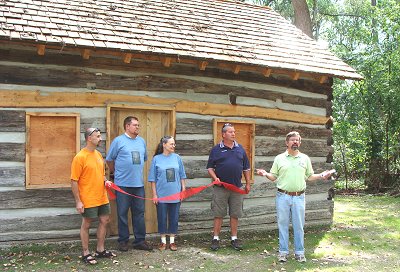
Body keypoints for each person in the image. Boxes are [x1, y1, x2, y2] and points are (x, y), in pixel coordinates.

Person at [256, 131, 334, 263]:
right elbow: (274, 177)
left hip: (299, 197)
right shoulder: (279, 158)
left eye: (297, 140)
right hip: (283, 196)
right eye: (292, 140)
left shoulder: (305, 158)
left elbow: (309, 176)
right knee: (283, 224)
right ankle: (283, 252)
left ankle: (299, 253)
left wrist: (321, 175)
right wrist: (265, 174)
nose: (295, 142)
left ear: (300, 142)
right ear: (287, 143)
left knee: (299, 225)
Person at [106, 116, 153, 251]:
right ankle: (123, 241)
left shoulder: (142, 141)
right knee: (122, 213)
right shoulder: (118, 141)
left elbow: (143, 159)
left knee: (139, 213)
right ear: (127, 126)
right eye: (135, 125)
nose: (137, 127)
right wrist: (116, 173)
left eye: (138, 125)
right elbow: (109, 159)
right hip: (122, 185)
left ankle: (139, 241)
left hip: (138, 185)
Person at [71, 127, 116, 265]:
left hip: (102, 197)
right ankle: (86, 252)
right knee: (87, 224)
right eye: (97, 136)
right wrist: (78, 201)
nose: (100, 138)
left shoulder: (98, 155)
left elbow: (100, 174)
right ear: (89, 138)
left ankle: (100, 250)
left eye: (100, 136)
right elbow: (74, 180)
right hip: (88, 198)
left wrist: (106, 181)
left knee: (105, 220)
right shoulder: (80, 157)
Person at [206, 123, 251, 251]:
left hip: (236, 188)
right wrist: (215, 178)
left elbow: (246, 168)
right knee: (218, 214)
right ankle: (215, 238)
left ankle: (234, 238)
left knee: (235, 214)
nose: (233, 134)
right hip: (220, 188)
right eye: (230, 132)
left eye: (234, 132)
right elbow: (210, 167)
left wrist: (247, 183)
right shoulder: (216, 149)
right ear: (223, 134)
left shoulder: (240, 149)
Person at [149, 136, 187, 251]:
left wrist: (183, 189)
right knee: (161, 218)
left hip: (175, 194)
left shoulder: (177, 158)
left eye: (174, 144)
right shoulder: (156, 159)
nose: (173, 146)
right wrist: (155, 195)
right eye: (171, 144)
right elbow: (153, 179)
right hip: (161, 195)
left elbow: (182, 175)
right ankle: (163, 242)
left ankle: (172, 242)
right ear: (164, 145)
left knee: (174, 218)